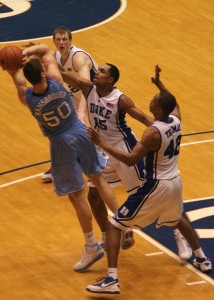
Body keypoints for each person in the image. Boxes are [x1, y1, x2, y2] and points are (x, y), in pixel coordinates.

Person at [85, 65, 212, 294]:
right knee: (176, 218)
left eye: (154, 101)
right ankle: (202, 258)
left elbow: (131, 159)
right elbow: (176, 103)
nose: (150, 102)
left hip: (157, 185)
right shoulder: (176, 120)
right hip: (175, 181)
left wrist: (100, 143)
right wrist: (159, 84)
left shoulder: (153, 132)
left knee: (115, 226)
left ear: (159, 110)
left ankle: (112, 280)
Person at [0, 43, 119, 273]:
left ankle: (91, 245)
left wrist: (10, 66)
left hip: (61, 143)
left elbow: (16, 77)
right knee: (99, 179)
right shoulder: (56, 80)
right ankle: (122, 222)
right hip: (80, 131)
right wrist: (27, 53)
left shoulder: (27, 97)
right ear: (43, 73)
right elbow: (45, 51)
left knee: (76, 196)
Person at [60, 63, 193, 259]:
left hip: (123, 148)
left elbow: (144, 118)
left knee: (155, 195)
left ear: (111, 80)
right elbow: (64, 76)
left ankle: (177, 232)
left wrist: (166, 132)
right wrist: (42, 66)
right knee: (94, 197)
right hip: (101, 149)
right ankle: (107, 235)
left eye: (102, 71)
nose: (97, 72)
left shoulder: (120, 100)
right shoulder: (89, 89)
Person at [42, 25, 98, 182]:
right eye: (58, 39)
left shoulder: (78, 58)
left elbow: (87, 87)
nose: (61, 42)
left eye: (64, 39)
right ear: (54, 42)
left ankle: (100, 164)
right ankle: (61, 165)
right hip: (76, 94)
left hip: (96, 95)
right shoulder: (56, 57)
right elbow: (61, 81)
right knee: (63, 129)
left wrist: (81, 112)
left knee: (100, 132)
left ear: (70, 40)